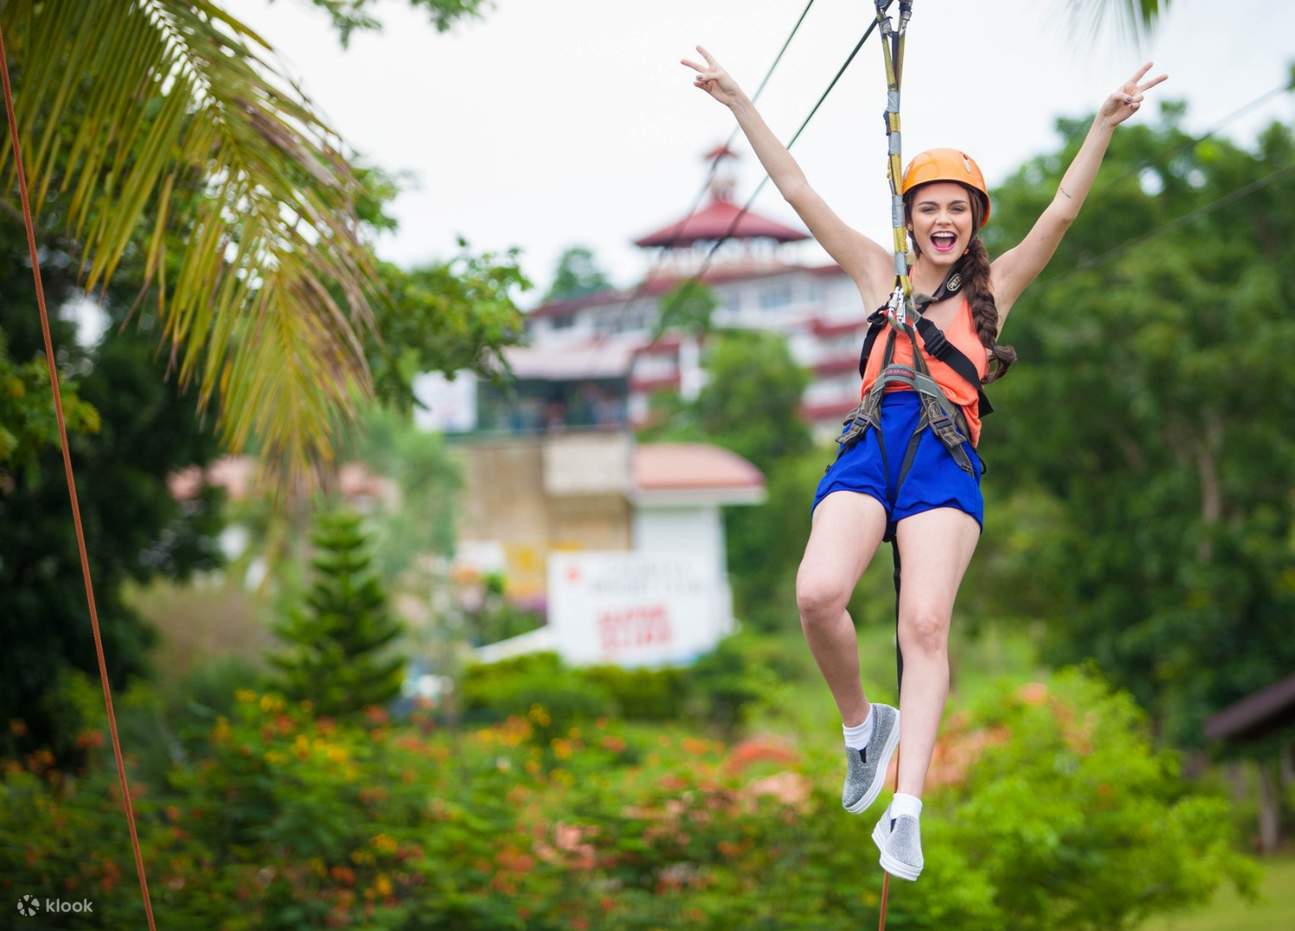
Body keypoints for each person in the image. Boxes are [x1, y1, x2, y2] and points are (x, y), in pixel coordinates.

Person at [681, 44, 1166, 881]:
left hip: (942, 460)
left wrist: (1101, 126)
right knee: (816, 592)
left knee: (925, 626)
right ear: (909, 218)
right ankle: (862, 727)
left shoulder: (997, 287)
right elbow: (797, 192)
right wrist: (738, 104)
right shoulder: (877, 272)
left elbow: (1058, 214)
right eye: (929, 206)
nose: (943, 219)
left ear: (974, 219)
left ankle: (906, 809)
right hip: (869, 445)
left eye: (958, 208)